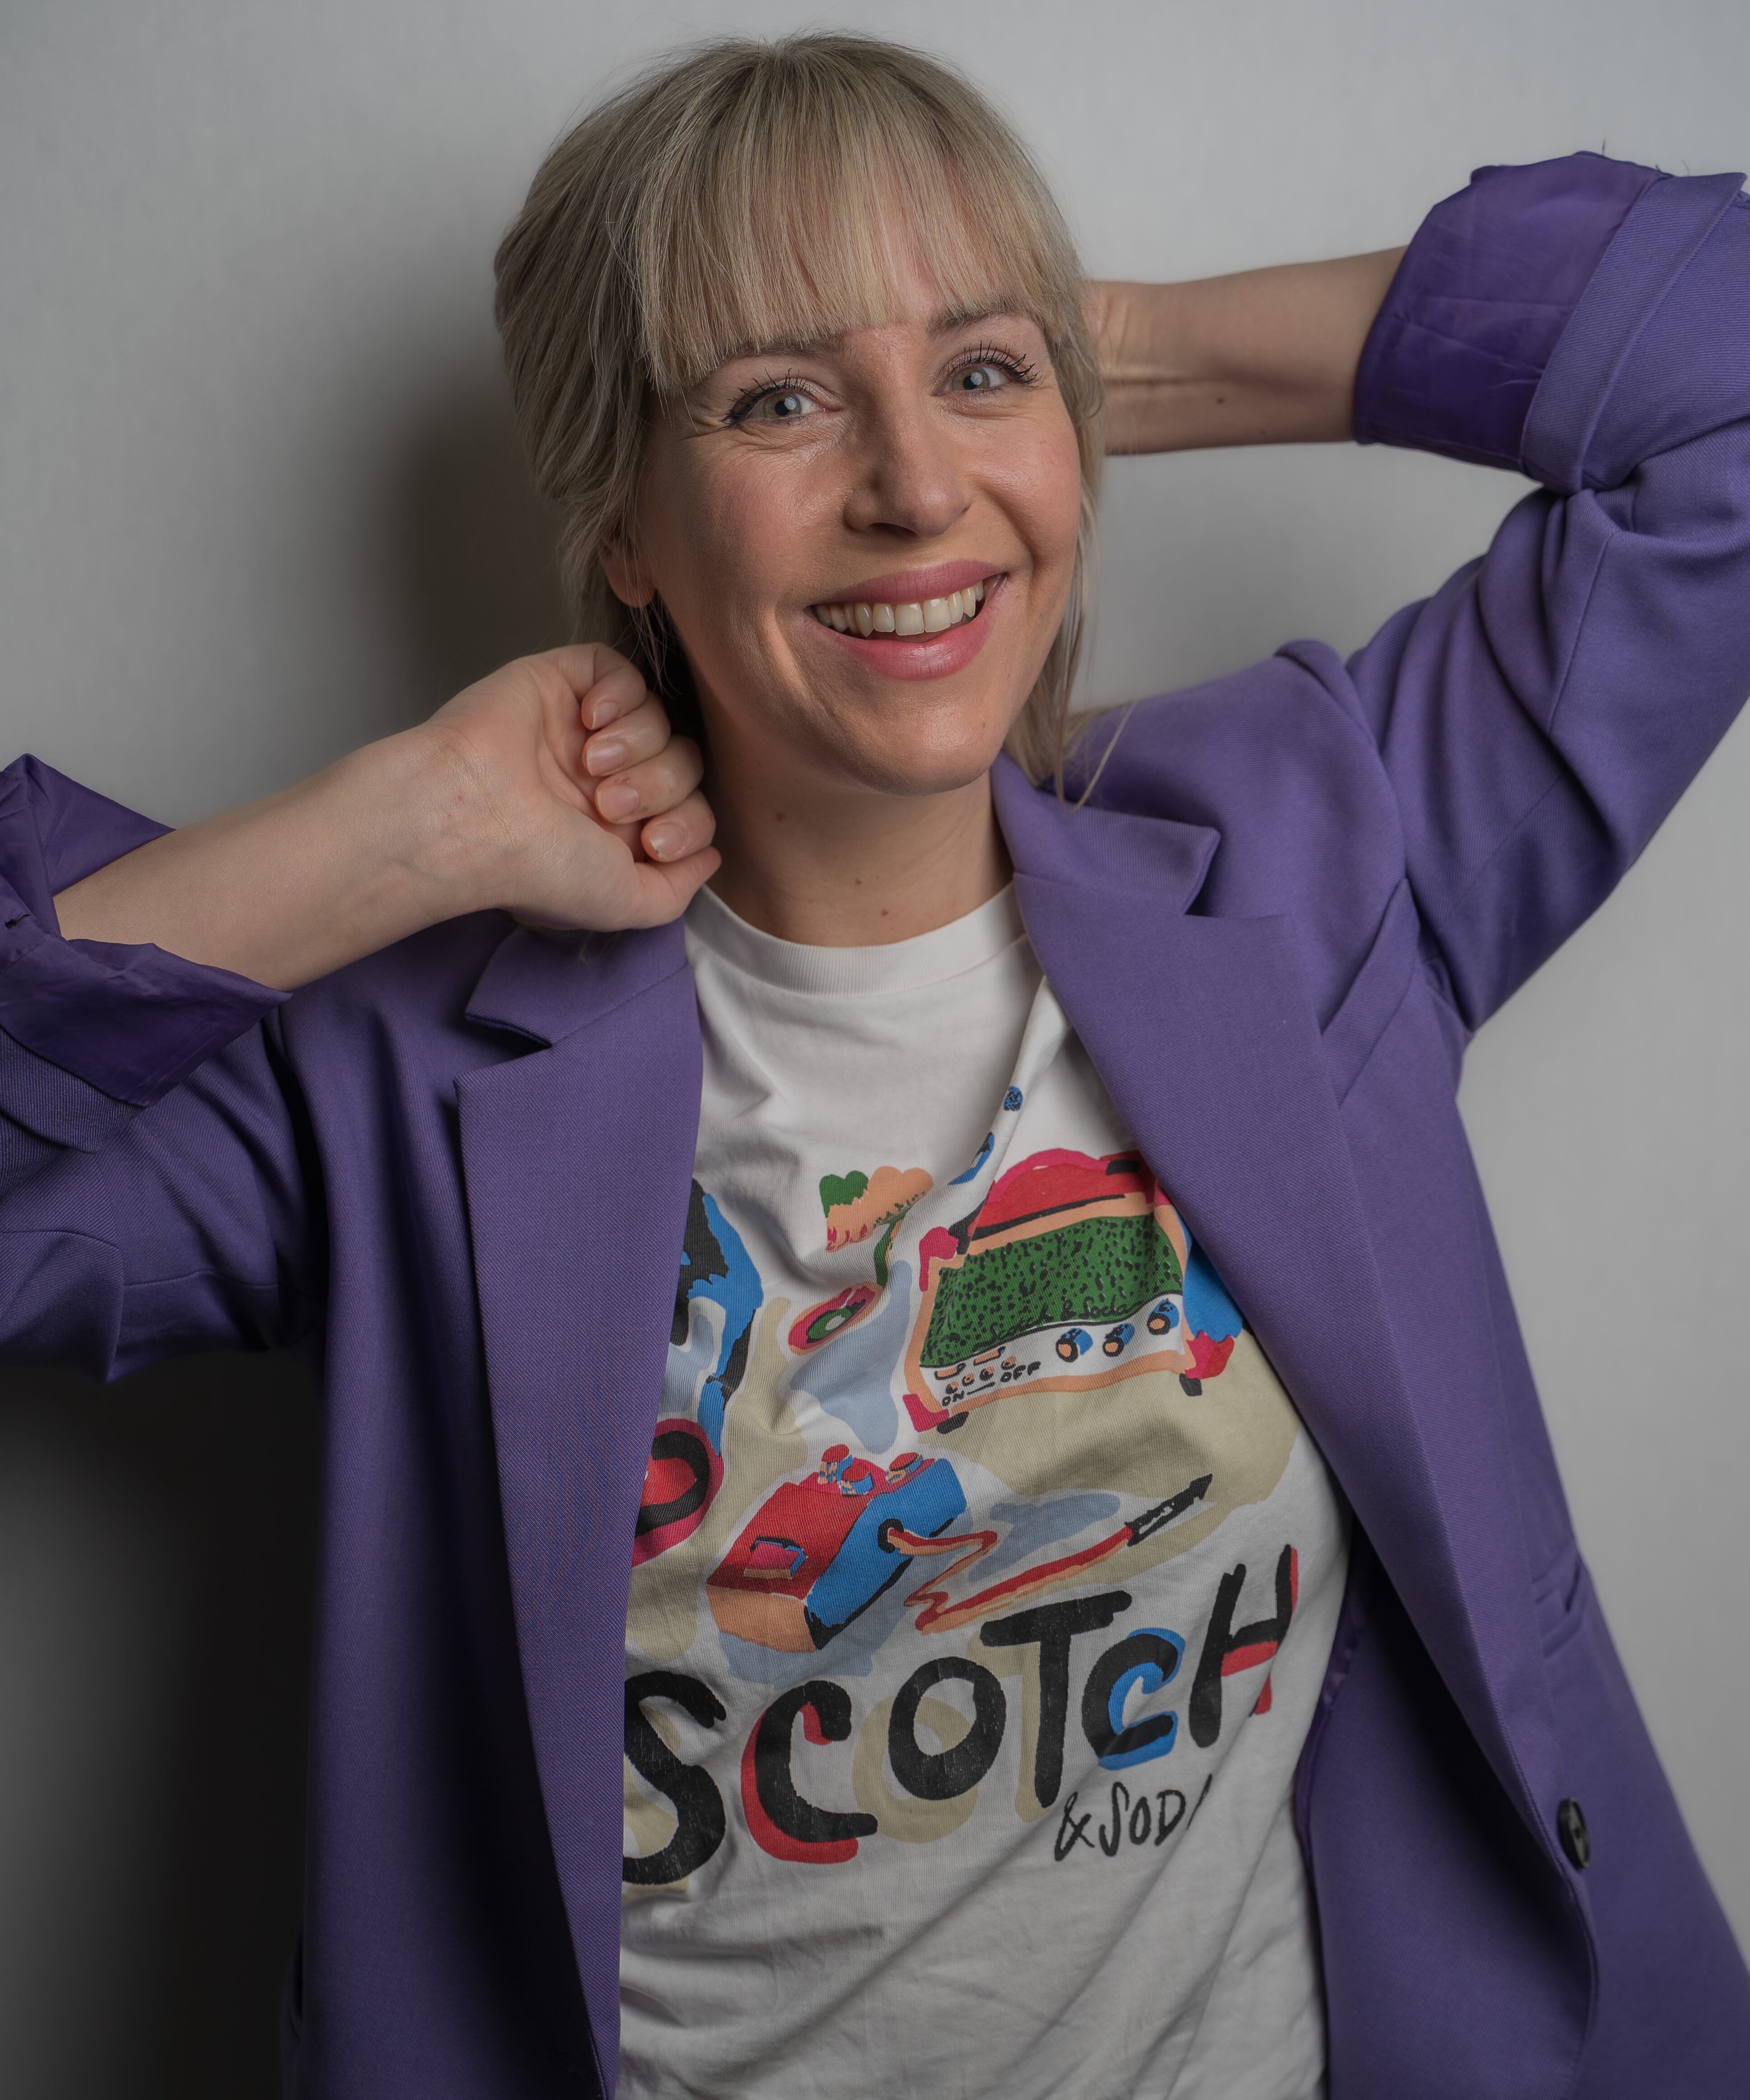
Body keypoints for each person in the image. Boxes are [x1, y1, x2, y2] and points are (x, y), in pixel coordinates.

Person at [3, 28, 1747, 2100]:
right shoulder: (401, 1063)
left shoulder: (1309, 853)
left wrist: (1078, 369)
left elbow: (1717, 373)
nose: (913, 486)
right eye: (777, 398)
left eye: (979, 377)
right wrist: (417, 822)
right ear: (623, 520)